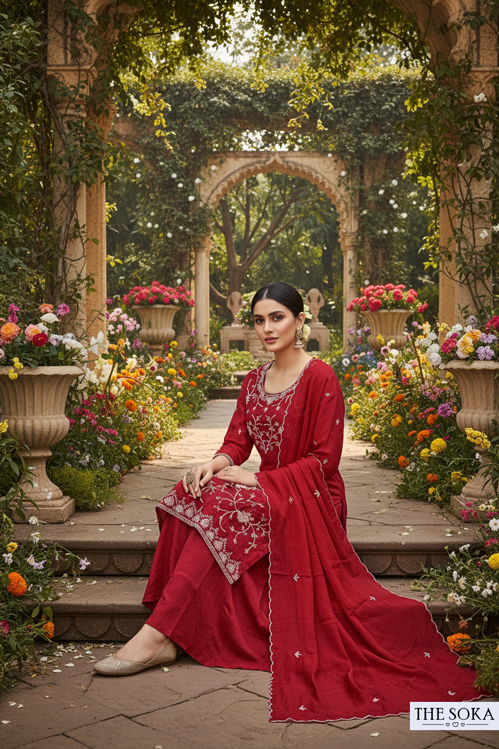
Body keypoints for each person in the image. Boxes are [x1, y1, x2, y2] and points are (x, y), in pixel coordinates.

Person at [94, 282, 487, 721]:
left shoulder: (320, 377)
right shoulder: (254, 379)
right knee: (191, 492)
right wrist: (214, 463)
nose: (267, 328)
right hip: (273, 489)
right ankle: (171, 629)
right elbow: (237, 443)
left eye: (277, 317)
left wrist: (260, 482)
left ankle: (157, 637)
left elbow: (324, 461)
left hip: (311, 497)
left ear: (300, 321)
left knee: (225, 508)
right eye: (259, 320)